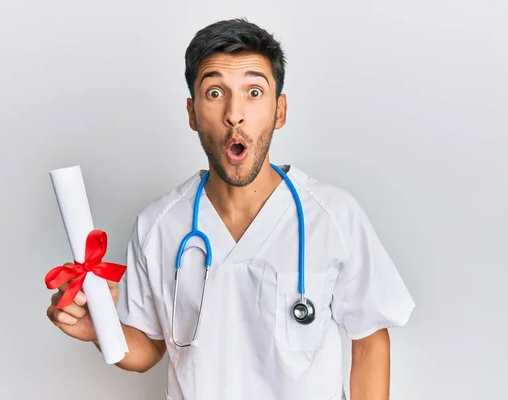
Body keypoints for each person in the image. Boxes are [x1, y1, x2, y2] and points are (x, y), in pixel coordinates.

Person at [46, 18, 415, 400]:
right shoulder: (158, 225)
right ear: (192, 113)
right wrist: (98, 330)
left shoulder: (333, 215)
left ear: (279, 111)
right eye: (215, 92)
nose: (234, 113)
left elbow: (370, 339)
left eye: (254, 91)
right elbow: (149, 347)